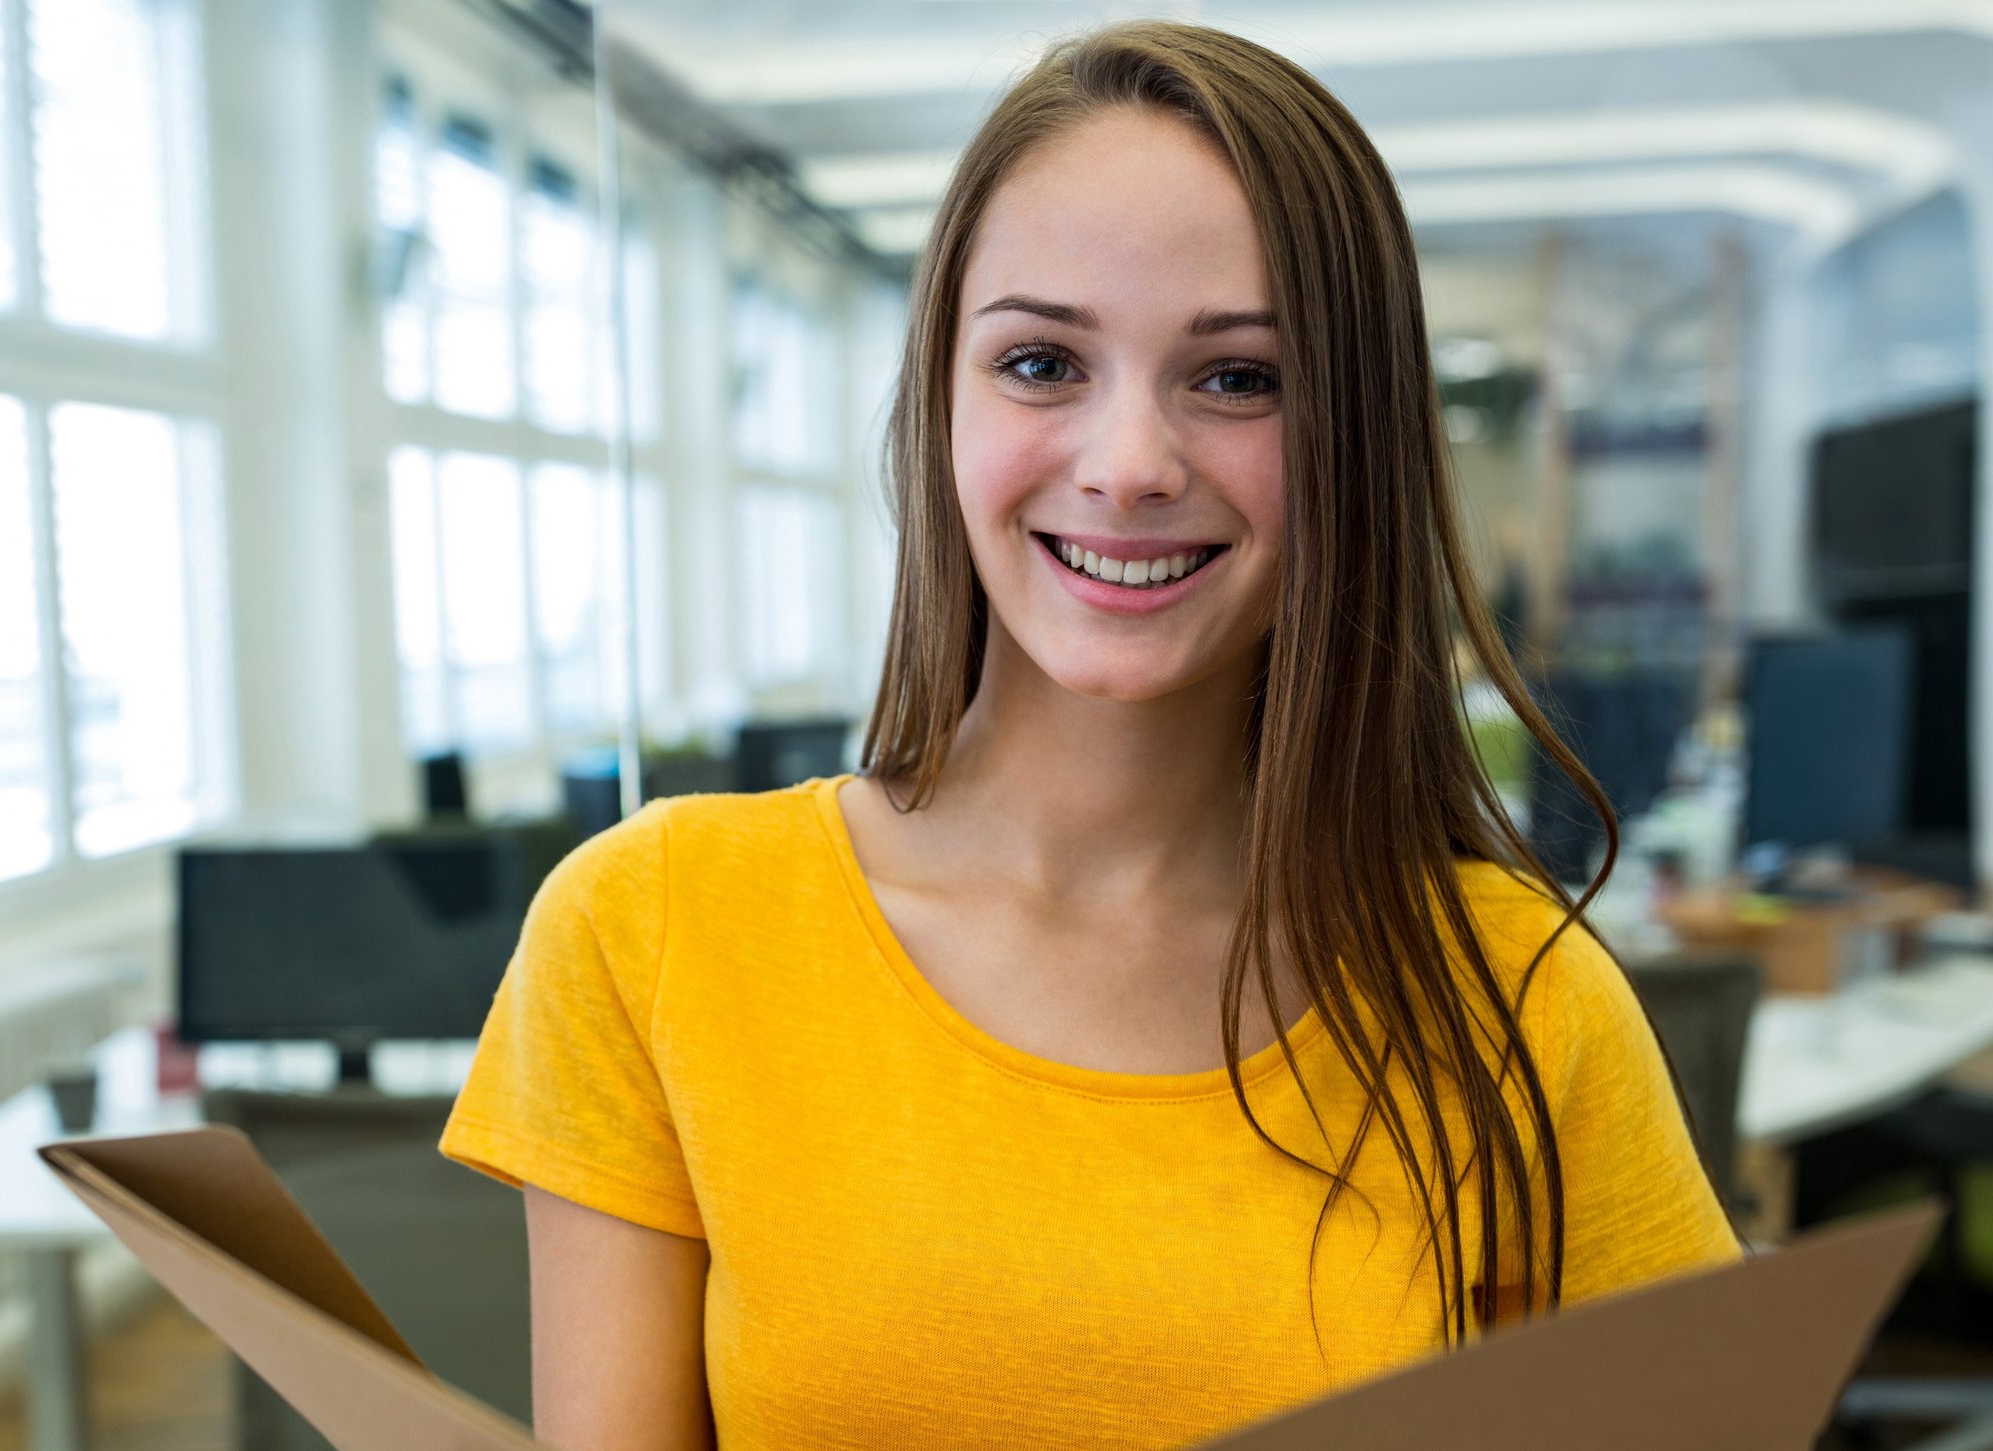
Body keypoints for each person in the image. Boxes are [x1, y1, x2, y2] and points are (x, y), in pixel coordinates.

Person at [438, 20, 1739, 1451]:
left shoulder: (1514, 996)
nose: (1127, 467)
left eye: (1239, 378)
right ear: (944, 403)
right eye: (1044, 363)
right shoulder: (658, 926)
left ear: (1353, 436)